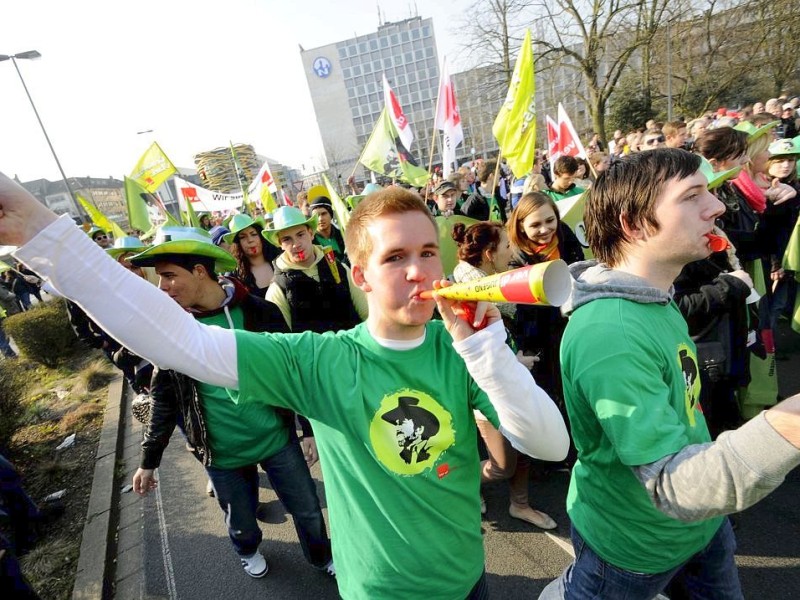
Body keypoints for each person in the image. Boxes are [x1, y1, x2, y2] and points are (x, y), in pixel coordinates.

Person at [1, 174, 570, 600]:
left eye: (426, 252)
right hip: (382, 591)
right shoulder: (320, 360)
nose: (419, 271)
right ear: (361, 276)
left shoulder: (460, 347)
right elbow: (183, 344)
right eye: (395, 257)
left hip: (470, 580)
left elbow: (549, 446)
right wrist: (40, 233)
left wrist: (485, 351)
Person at [539, 149, 800, 600]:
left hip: (702, 528)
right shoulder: (610, 334)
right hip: (634, 548)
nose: (716, 207)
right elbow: (670, 485)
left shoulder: (655, 297)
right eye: (692, 195)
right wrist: (791, 423)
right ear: (634, 224)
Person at [128, 227, 333, 579]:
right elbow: (165, 399)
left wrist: (308, 428)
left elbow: (291, 372)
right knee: (240, 519)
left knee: (309, 510)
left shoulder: (258, 312)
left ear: (200, 271)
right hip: (221, 452)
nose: (162, 287)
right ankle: (247, 549)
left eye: (168, 276)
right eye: (159, 278)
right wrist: (148, 461)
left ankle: (320, 556)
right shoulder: (171, 330)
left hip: (276, 439)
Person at [451, 221, 557, 530]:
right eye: (506, 247)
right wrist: (515, 359)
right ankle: (466, 486)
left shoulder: (491, 284)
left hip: (511, 379)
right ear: (488, 254)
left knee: (523, 447)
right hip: (487, 391)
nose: (512, 252)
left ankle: (519, 505)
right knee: (502, 465)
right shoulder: (468, 296)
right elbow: (473, 352)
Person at [264, 206, 365, 333]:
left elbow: (367, 315)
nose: (296, 244)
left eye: (300, 235)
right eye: (287, 239)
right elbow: (284, 342)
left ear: (311, 233)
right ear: (280, 244)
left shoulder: (339, 267)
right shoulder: (277, 289)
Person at [224, 214, 280, 298]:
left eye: (254, 234)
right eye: (243, 237)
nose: (250, 240)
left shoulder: (281, 260)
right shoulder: (233, 276)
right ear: (237, 244)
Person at [308, 193, 348, 264]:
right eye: (316, 215)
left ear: (331, 215)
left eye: (324, 214)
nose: (320, 219)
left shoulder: (343, 235)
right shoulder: (310, 242)